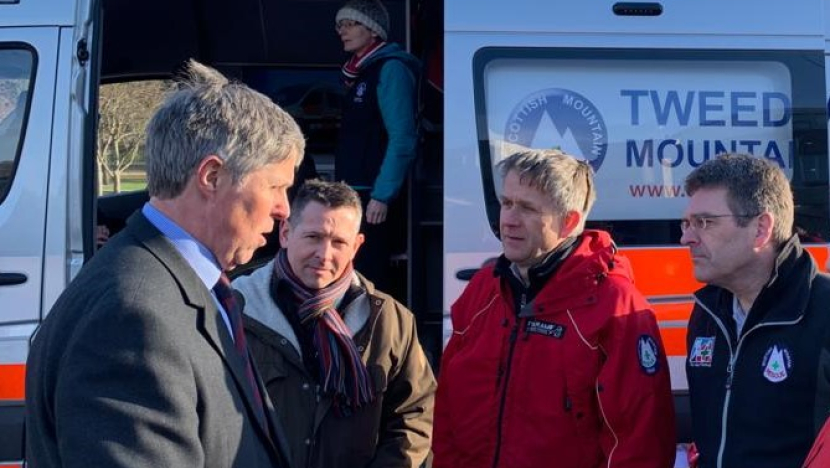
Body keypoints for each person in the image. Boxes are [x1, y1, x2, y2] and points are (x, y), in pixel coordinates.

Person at [25, 60, 304, 468]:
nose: (284, 209)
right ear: (211, 176)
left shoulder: (176, 284)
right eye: (276, 187)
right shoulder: (133, 317)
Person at [432, 148, 676, 468]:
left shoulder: (615, 305)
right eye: (506, 203)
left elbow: (640, 440)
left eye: (528, 209)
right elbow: (450, 409)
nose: (508, 220)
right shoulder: (483, 291)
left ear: (569, 221)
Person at [232, 179, 436, 468]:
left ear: (356, 246)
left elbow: (413, 417)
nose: (324, 255)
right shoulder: (234, 310)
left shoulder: (390, 321)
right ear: (286, 233)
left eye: (339, 242)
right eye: (314, 237)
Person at [681, 153, 830, 468]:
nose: (686, 238)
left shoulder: (823, 311)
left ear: (761, 228)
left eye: (704, 222)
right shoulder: (707, 314)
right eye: (688, 223)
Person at [334, 0, 419, 288]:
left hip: (373, 196)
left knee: (370, 278)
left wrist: (382, 195)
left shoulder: (390, 69)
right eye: (340, 25)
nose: (342, 30)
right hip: (355, 191)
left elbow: (403, 138)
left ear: (372, 30)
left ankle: (373, 334)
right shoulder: (360, 72)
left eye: (350, 23)